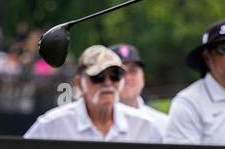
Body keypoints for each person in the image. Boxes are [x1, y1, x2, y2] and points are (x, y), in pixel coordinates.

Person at [23, 46, 165, 142]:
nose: (108, 83)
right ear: (79, 83)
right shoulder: (52, 125)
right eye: (98, 76)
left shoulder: (145, 126)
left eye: (115, 75)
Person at [108, 43, 169, 135]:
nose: (127, 78)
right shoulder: (96, 124)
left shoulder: (162, 124)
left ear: (143, 77)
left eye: (133, 71)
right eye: (119, 72)